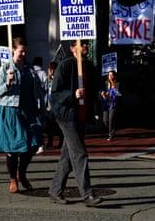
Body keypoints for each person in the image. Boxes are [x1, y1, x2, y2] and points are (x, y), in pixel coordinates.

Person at [48, 39, 103, 207]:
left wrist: (102, 94)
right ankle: (87, 194)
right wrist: (73, 94)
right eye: (82, 43)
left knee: (67, 157)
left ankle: (55, 191)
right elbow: (55, 94)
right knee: (80, 154)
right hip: (67, 117)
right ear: (73, 48)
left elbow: (95, 89)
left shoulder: (89, 67)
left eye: (86, 43)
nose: (86, 46)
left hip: (81, 117)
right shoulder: (65, 66)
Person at [0, 37, 43, 193]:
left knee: (34, 143)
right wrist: (7, 83)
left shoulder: (30, 69)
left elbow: (36, 90)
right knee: (13, 147)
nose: (23, 54)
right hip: (11, 111)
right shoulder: (5, 68)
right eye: (21, 51)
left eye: (25, 51)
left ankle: (21, 173)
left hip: (29, 111)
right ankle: (13, 179)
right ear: (13, 50)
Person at [43, 61, 63, 148]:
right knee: (49, 126)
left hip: (57, 106)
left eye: (52, 69)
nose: (50, 71)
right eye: (49, 69)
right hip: (48, 106)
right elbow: (45, 90)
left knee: (59, 126)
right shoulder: (47, 80)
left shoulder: (58, 79)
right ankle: (50, 142)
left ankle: (61, 142)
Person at [100, 70, 121, 141]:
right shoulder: (106, 83)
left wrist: (113, 92)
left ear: (114, 76)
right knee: (105, 120)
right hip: (106, 104)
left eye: (112, 75)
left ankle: (111, 135)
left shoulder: (117, 83)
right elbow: (101, 90)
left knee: (111, 119)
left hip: (113, 104)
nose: (110, 77)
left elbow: (119, 94)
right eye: (109, 75)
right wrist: (102, 93)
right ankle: (112, 129)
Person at [32, 56, 48, 154]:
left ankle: (37, 144)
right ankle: (40, 144)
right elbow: (45, 87)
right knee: (38, 124)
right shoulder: (42, 73)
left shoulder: (30, 72)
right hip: (39, 102)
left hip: (32, 102)